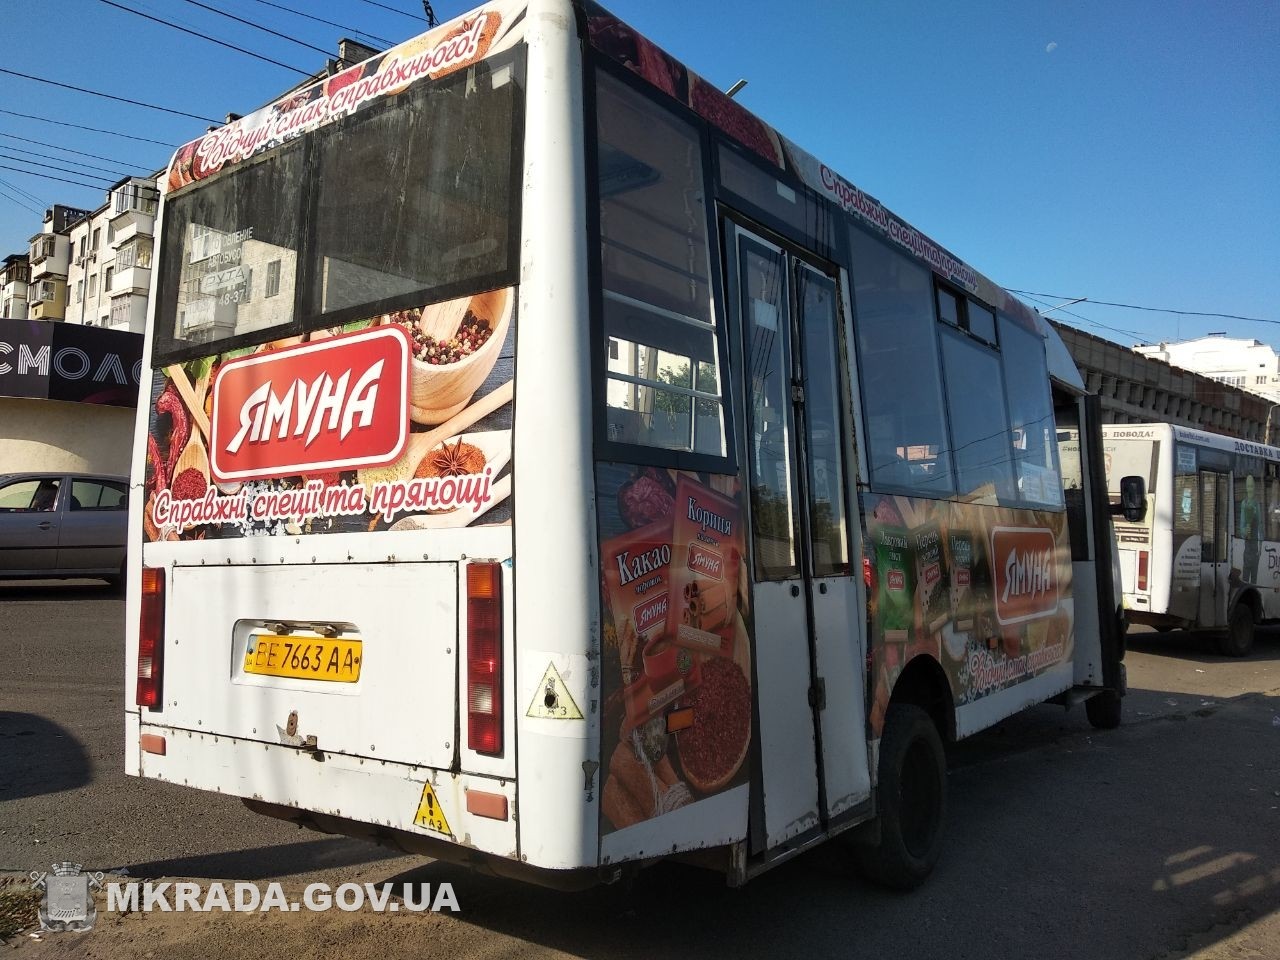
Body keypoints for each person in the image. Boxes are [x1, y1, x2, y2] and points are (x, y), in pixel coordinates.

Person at [1239, 474, 1261, 584]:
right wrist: (1244, 531)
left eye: (1252, 486)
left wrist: (1261, 546)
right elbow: (1241, 527)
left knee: (1254, 579)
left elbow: (1260, 525)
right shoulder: (1244, 504)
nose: (1250, 489)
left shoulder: (1257, 504)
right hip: (1248, 548)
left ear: (1254, 487)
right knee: (1245, 578)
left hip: (1255, 548)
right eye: (1248, 486)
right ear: (1246, 488)